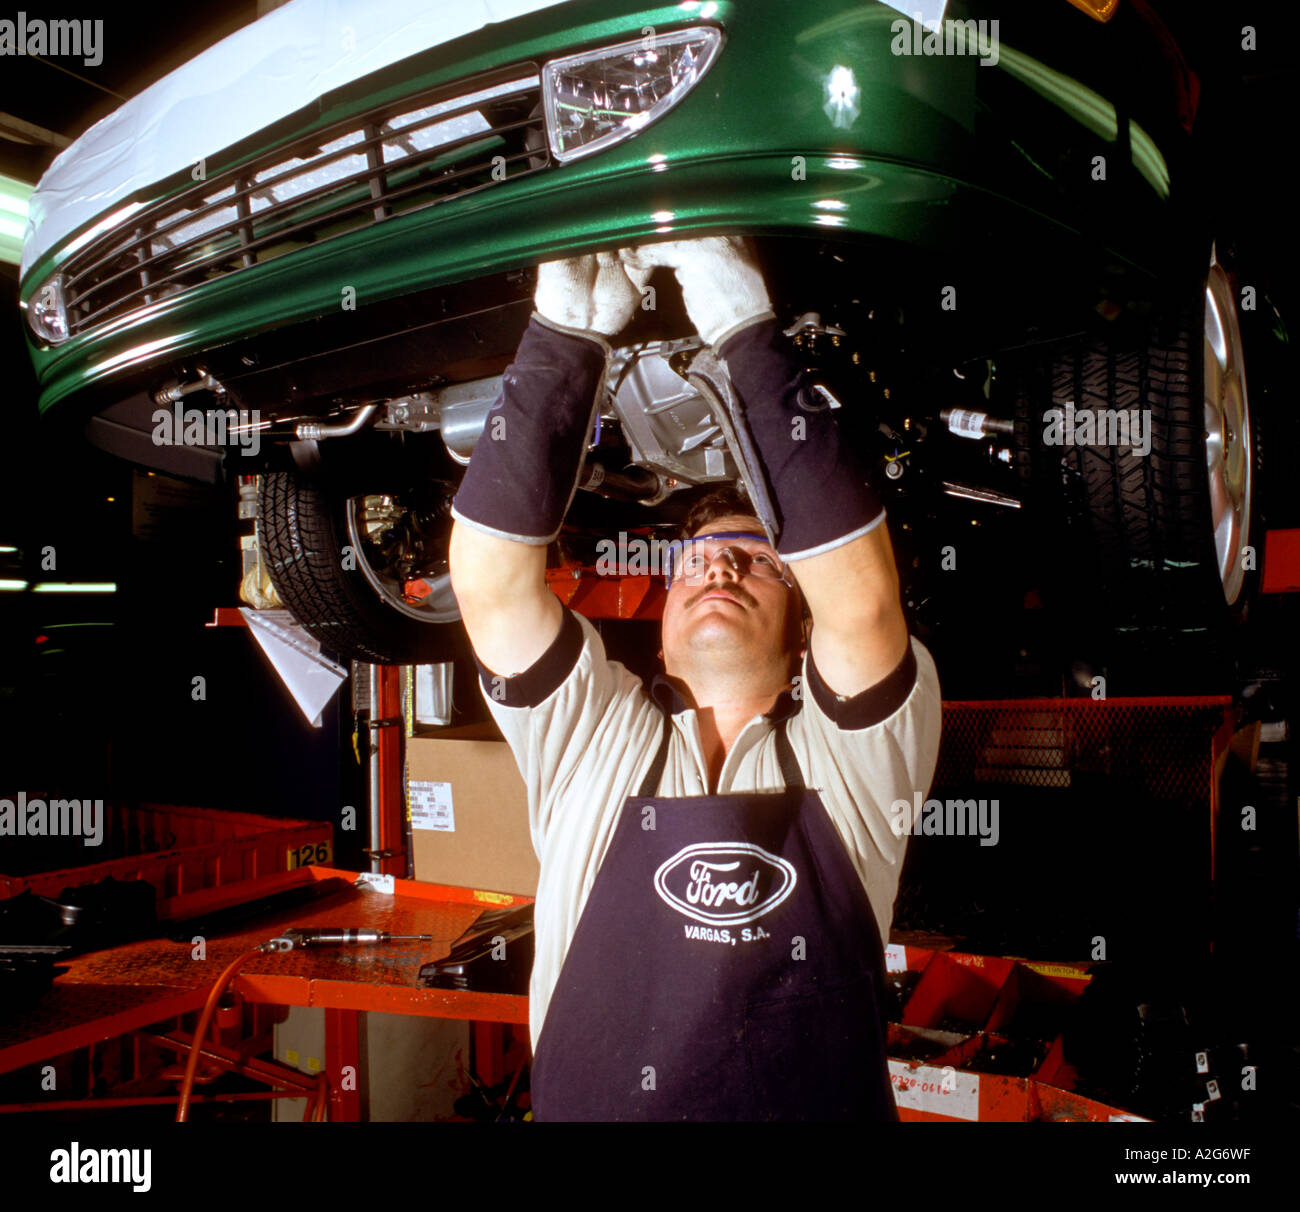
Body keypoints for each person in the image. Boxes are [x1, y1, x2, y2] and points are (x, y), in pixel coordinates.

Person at [447, 236, 942, 1121]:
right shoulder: (593, 733)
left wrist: (747, 333)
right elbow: (489, 586)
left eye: (757, 561)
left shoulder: (855, 760)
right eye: (695, 562)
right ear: (663, 629)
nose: (716, 567)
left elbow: (863, 605)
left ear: (803, 627)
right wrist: (563, 335)